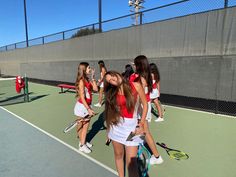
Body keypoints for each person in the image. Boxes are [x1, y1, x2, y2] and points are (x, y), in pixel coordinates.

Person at [104, 71, 148, 177]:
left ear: (118, 74)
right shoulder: (112, 93)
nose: (113, 80)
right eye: (110, 80)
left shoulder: (136, 85)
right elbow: (110, 112)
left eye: (113, 76)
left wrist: (141, 124)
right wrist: (108, 130)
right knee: (118, 155)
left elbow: (145, 105)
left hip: (132, 128)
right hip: (116, 127)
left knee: (131, 163)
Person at [131, 55, 164, 165]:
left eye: (135, 64)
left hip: (141, 107)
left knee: (144, 132)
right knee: (143, 132)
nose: (134, 66)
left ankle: (157, 156)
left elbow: (140, 98)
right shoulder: (146, 75)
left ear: (139, 65)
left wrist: (135, 111)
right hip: (144, 106)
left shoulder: (141, 79)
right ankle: (142, 153)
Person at [74, 62, 98, 153]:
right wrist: (88, 109)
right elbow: (82, 97)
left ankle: (82, 142)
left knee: (85, 127)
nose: (90, 69)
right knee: (83, 126)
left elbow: (95, 89)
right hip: (82, 107)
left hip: (87, 105)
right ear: (84, 69)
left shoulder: (87, 79)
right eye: (88, 68)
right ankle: (81, 145)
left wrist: (93, 77)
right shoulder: (81, 81)